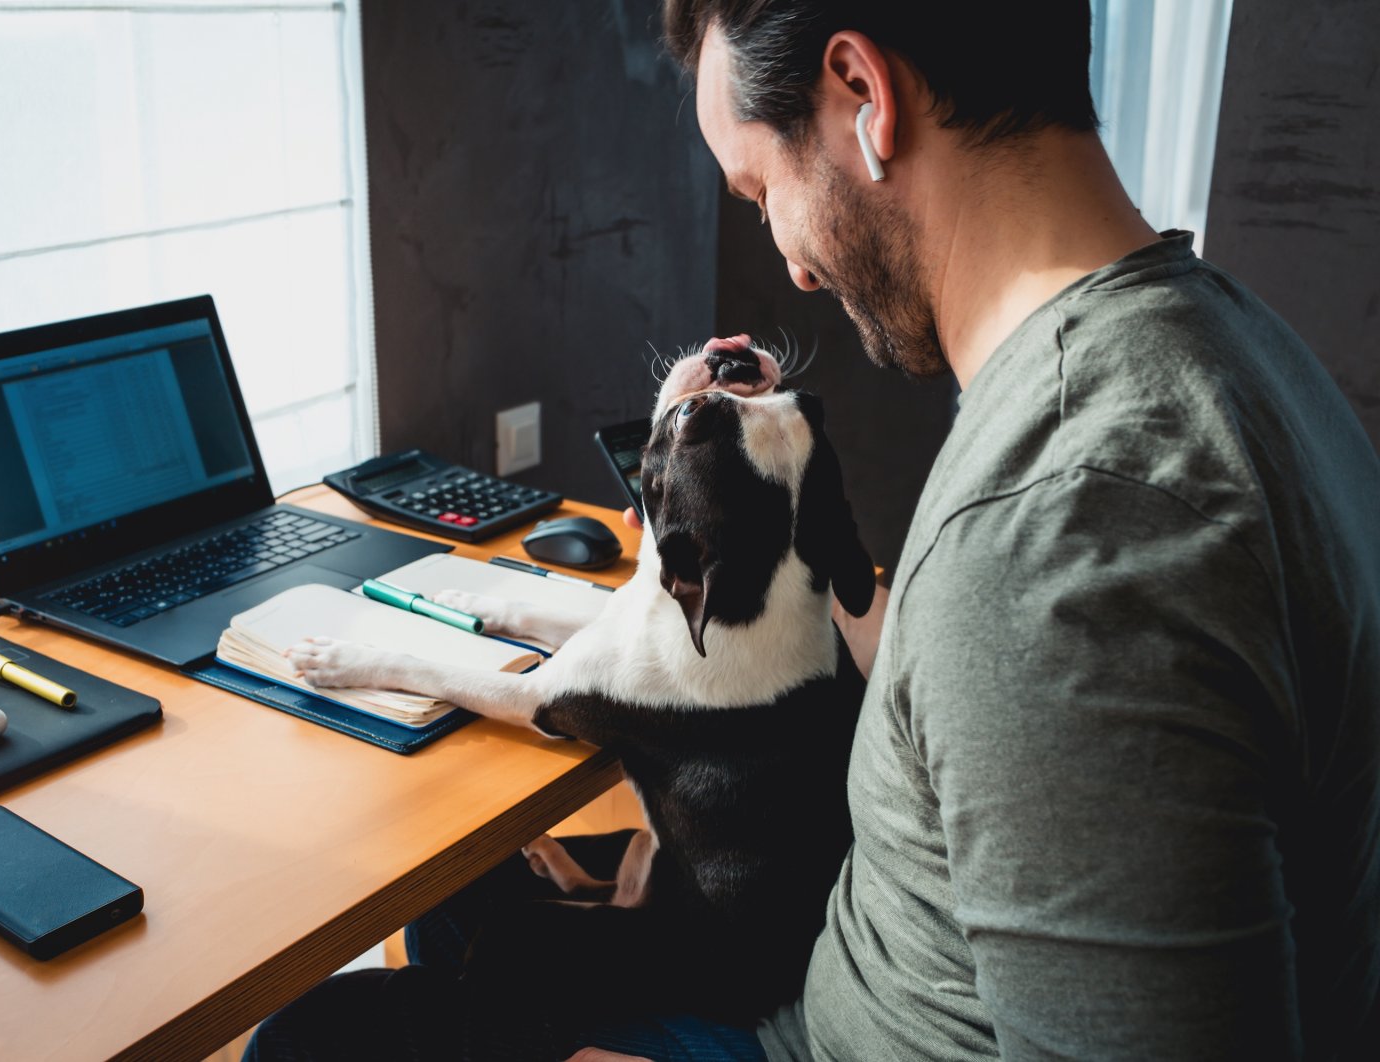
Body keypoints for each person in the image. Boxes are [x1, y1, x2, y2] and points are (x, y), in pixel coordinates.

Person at [247, 2, 1380, 1058]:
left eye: (758, 191)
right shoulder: (1231, 349)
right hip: (832, 952)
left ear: (860, 94)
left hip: (805, 1031)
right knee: (464, 914)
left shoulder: (1066, 528)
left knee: (309, 1039)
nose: (787, 260)